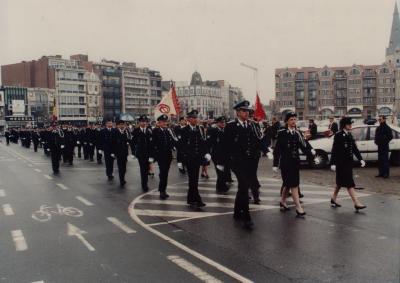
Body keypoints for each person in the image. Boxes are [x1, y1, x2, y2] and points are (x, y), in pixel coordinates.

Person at [224, 100, 262, 229]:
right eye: (244, 111)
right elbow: (226, 146)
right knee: (245, 187)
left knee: (242, 187)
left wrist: (267, 150)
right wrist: (224, 164)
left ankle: (236, 212)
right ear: (238, 112)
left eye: (248, 111)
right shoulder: (230, 126)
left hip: (249, 162)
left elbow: (256, 141)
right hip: (236, 162)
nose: (247, 113)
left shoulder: (251, 125)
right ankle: (247, 217)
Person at [273, 112, 316, 217]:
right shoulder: (282, 133)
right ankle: (298, 207)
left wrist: (312, 156)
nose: (293, 121)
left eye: (294, 119)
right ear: (287, 121)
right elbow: (277, 150)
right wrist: (275, 164)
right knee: (294, 185)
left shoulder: (298, 133)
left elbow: (304, 146)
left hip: (295, 162)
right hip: (285, 163)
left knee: (288, 184)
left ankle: (282, 201)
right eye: (291, 119)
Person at [330, 117, 367, 211]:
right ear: (344, 125)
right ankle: (356, 203)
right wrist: (333, 163)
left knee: (339, 183)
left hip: (348, 163)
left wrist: (360, 159)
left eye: (351, 123)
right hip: (341, 163)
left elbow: (354, 148)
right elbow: (335, 150)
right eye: (348, 124)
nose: (350, 125)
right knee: (349, 183)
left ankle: (333, 199)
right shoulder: (338, 135)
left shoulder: (349, 134)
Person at [178, 110, 210, 208]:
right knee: (193, 179)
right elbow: (181, 147)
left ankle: (190, 199)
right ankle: (197, 199)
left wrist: (206, 153)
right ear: (188, 119)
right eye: (193, 118)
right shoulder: (183, 130)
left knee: (194, 180)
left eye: (196, 118)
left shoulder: (200, 129)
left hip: (197, 158)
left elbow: (203, 143)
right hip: (188, 159)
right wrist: (180, 161)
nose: (195, 119)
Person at [150, 114, 177, 200]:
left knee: (165, 173)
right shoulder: (155, 131)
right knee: (163, 172)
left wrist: (174, 146)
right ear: (159, 123)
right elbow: (153, 144)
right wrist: (153, 155)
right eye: (163, 122)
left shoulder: (168, 131)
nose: (165, 123)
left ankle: (163, 189)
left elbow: (171, 141)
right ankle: (162, 191)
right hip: (160, 155)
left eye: (166, 122)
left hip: (168, 155)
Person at [207, 116, 229, 193]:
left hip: (225, 155)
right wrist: (208, 153)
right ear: (217, 123)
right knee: (220, 171)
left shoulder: (226, 130)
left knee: (224, 171)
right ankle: (221, 187)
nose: (223, 124)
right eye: (221, 122)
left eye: (224, 122)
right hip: (216, 155)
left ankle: (220, 186)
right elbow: (209, 143)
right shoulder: (213, 131)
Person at [131, 115, 152, 192]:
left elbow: (152, 143)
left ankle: (145, 182)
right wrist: (133, 152)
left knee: (147, 169)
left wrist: (152, 154)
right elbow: (132, 143)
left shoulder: (149, 130)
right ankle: (144, 184)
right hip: (140, 154)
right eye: (142, 121)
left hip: (149, 153)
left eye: (145, 121)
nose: (144, 123)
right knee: (143, 169)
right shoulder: (135, 131)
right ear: (139, 122)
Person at [112, 120, 130, 187]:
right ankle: (121, 180)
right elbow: (112, 142)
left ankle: (123, 178)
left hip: (125, 152)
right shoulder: (115, 132)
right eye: (120, 124)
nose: (122, 126)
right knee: (120, 167)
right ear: (117, 125)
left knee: (124, 167)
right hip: (118, 152)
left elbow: (128, 139)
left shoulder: (126, 131)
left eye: (123, 124)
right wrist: (113, 152)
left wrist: (128, 142)